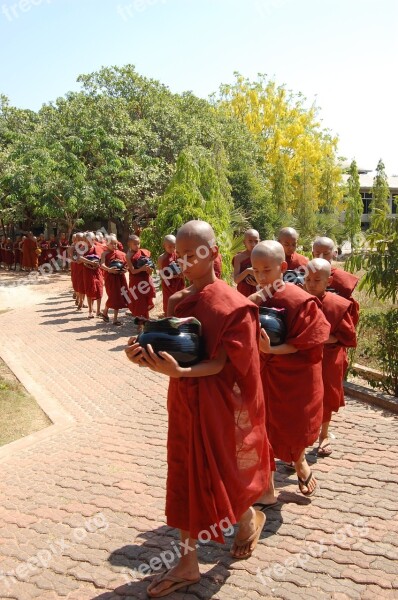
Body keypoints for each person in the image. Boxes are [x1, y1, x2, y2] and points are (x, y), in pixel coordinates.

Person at [126, 220, 272, 597]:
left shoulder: (233, 304)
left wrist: (183, 371)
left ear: (213, 253)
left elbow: (221, 363)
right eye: (181, 256)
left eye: (194, 255)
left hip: (217, 403)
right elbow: (176, 348)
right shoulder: (179, 301)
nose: (186, 263)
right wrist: (144, 355)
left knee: (220, 470)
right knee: (187, 473)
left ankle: (247, 518)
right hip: (185, 400)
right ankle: (188, 562)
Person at [249, 241, 330, 498]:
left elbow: (309, 343)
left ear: (283, 267)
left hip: (295, 376)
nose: (261, 278)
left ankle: (299, 462)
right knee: (262, 425)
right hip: (262, 373)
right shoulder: (254, 299)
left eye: (267, 271)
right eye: (256, 271)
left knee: (292, 426)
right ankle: (267, 488)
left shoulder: (301, 301)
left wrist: (273, 350)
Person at [304, 259, 357, 456]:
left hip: (328, 358)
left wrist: (319, 336)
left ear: (328, 281)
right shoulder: (297, 300)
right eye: (307, 279)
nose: (311, 284)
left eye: (317, 280)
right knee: (301, 399)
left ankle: (323, 435)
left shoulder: (338, 305)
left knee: (325, 397)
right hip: (302, 358)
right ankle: (298, 445)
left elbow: (346, 336)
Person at [126, 234, 156, 319]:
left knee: (146, 301)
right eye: (135, 244)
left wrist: (149, 270)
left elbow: (150, 266)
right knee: (138, 302)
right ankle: (140, 323)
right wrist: (142, 269)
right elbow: (132, 271)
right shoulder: (128, 256)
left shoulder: (144, 252)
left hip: (145, 279)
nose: (137, 246)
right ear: (129, 244)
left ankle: (146, 320)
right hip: (136, 281)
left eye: (138, 243)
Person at [100, 235, 128, 326]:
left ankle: (115, 319)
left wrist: (125, 270)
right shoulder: (104, 254)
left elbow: (126, 264)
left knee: (119, 297)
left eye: (115, 243)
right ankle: (105, 311)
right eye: (112, 243)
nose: (114, 245)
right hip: (110, 278)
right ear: (107, 244)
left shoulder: (121, 253)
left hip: (120, 277)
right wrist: (109, 269)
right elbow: (102, 265)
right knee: (113, 296)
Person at [157, 234, 185, 315]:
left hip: (179, 283)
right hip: (168, 285)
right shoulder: (161, 258)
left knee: (181, 303)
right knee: (169, 305)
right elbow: (161, 275)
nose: (172, 249)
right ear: (164, 245)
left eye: (174, 247)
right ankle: (169, 322)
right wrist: (172, 276)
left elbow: (185, 268)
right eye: (169, 247)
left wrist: (182, 274)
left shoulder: (179, 254)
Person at [79, 232, 104, 319]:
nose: (89, 242)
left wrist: (98, 263)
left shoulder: (98, 248)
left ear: (94, 240)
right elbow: (80, 258)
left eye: (91, 240)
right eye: (87, 240)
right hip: (87, 272)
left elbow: (102, 258)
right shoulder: (82, 248)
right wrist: (90, 262)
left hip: (97, 271)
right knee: (90, 290)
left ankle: (98, 310)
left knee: (99, 289)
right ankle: (90, 311)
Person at [232, 228, 260, 297]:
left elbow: (267, 279)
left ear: (259, 241)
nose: (253, 244)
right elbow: (236, 280)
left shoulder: (262, 256)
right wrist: (247, 271)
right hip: (242, 291)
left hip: (258, 291)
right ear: (244, 242)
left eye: (256, 241)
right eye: (250, 241)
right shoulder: (239, 257)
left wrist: (258, 284)